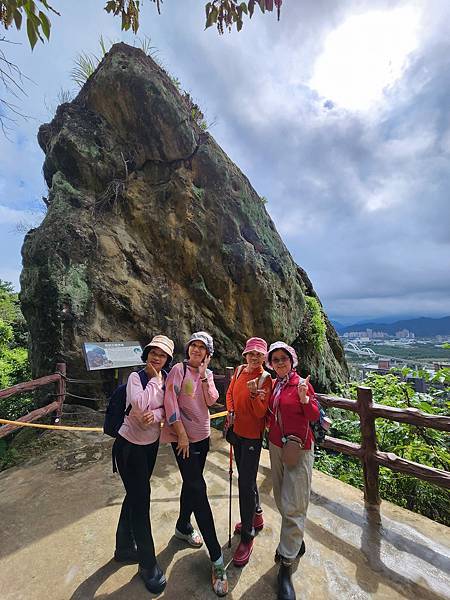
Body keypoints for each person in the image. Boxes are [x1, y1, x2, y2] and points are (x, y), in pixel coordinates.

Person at [162, 331, 228, 597]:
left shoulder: (206, 375)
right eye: (194, 347)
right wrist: (180, 434)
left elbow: (212, 400)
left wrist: (203, 375)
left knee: (191, 486)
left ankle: (182, 526)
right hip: (184, 440)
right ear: (188, 350)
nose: (196, 351)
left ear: (208, 354)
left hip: (202, 438)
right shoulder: (177, 370)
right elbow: (170, 402)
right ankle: (217, 559)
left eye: (202, 348)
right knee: (199, 492)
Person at [112, 334, 174, 595]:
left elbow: (167, 407)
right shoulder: (137, 378)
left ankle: (124, 547)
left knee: (135, 495)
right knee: (141, 500)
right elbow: (138, 404)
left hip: (149, 447)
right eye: (153, 352)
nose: (156, 357)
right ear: (146, 354)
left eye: (162, 354)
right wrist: (156, 382)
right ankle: (147, 563)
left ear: (168, 358)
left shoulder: (168, 379)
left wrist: (158, 414)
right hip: (129, 447)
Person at [266, 341, 319, 600]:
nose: (279, 363)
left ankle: (285, 567)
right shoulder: (275, 384)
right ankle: (295, 543)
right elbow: (270, 414)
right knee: (280, 499)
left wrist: (304, 399)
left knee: (294, 505)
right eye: (275, 359)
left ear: (292, 360)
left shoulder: (301, 384)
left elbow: (314, 415)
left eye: (283, 358)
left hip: (298, 449)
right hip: (276, 447)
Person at [225, 337, 272, 567]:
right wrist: (231, 411)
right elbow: (230, 395)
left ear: (264, 357)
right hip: (237, 433)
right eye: (250, 353)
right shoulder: (239, 371)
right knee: (248, 478)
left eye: (258, 354)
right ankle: (257, 514)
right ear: (245, 355)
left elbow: (260, 412)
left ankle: (248, 534)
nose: (254, 357)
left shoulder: (265, 379)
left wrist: (254, 395)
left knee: (245, 483)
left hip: (252, 436)